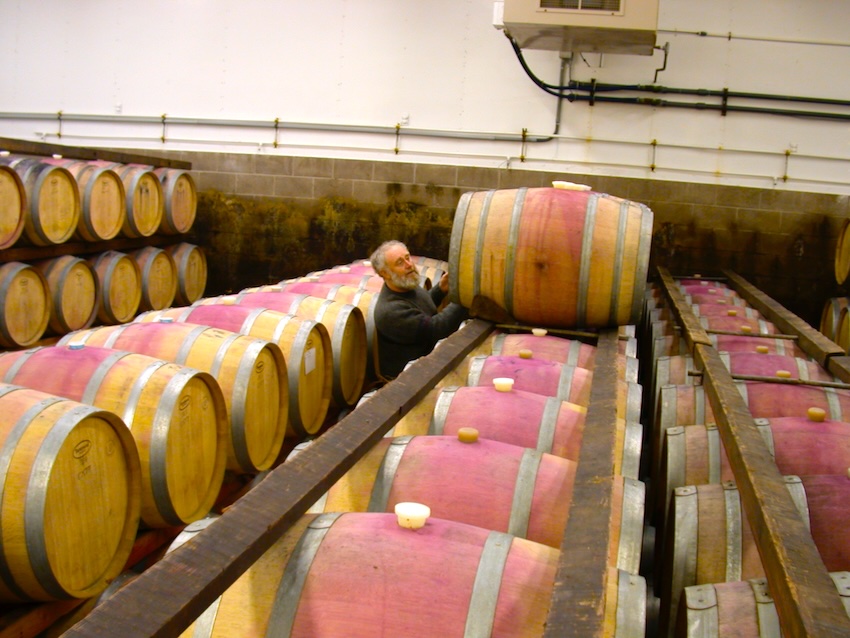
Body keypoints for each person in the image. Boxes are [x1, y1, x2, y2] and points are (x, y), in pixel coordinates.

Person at [370, 240, 469, 380]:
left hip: (427, 362)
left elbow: (419, 309)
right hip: (411, 379)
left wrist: (440, 290)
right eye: (400, 262)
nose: (409, 264)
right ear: (385, 273)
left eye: (407, 257)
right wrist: (465, 297)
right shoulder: (390, 311)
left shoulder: (405, 286)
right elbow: (436, 329)